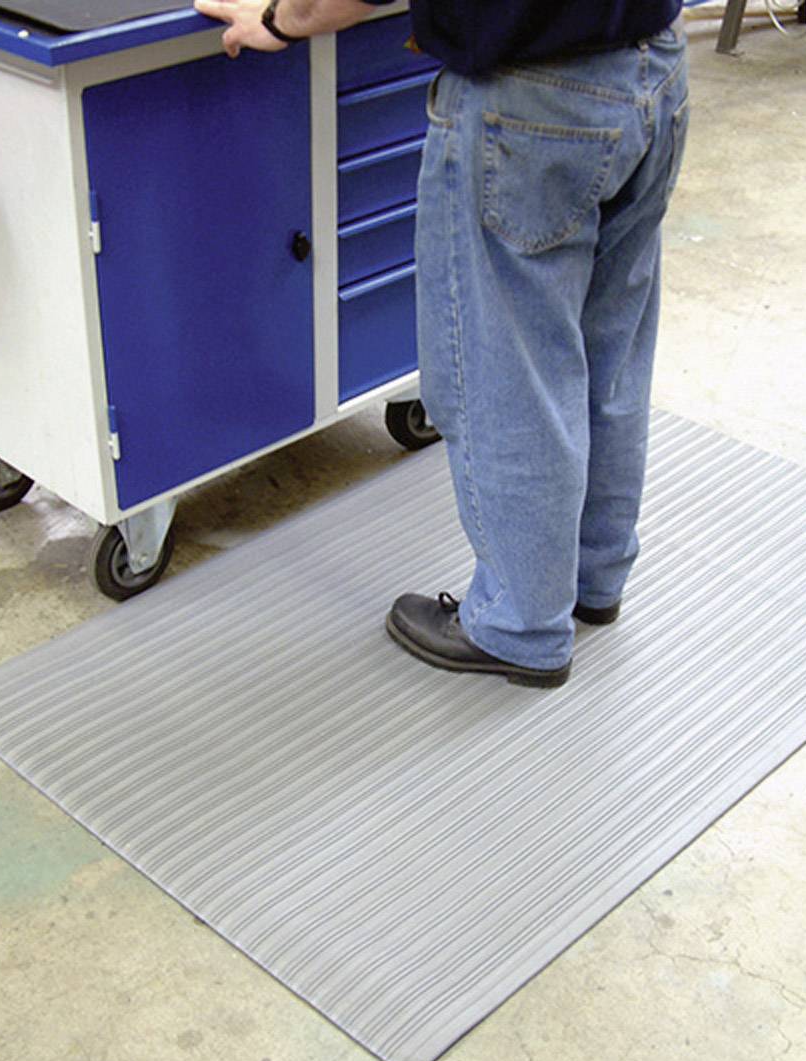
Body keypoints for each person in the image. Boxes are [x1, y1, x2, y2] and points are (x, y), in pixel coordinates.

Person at [194, 0, 689, 689]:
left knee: (508, 374)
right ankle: (593, 577)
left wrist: (284, 18)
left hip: (532, 100)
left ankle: (520, 623)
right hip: (653, 69)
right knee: (611, 352)